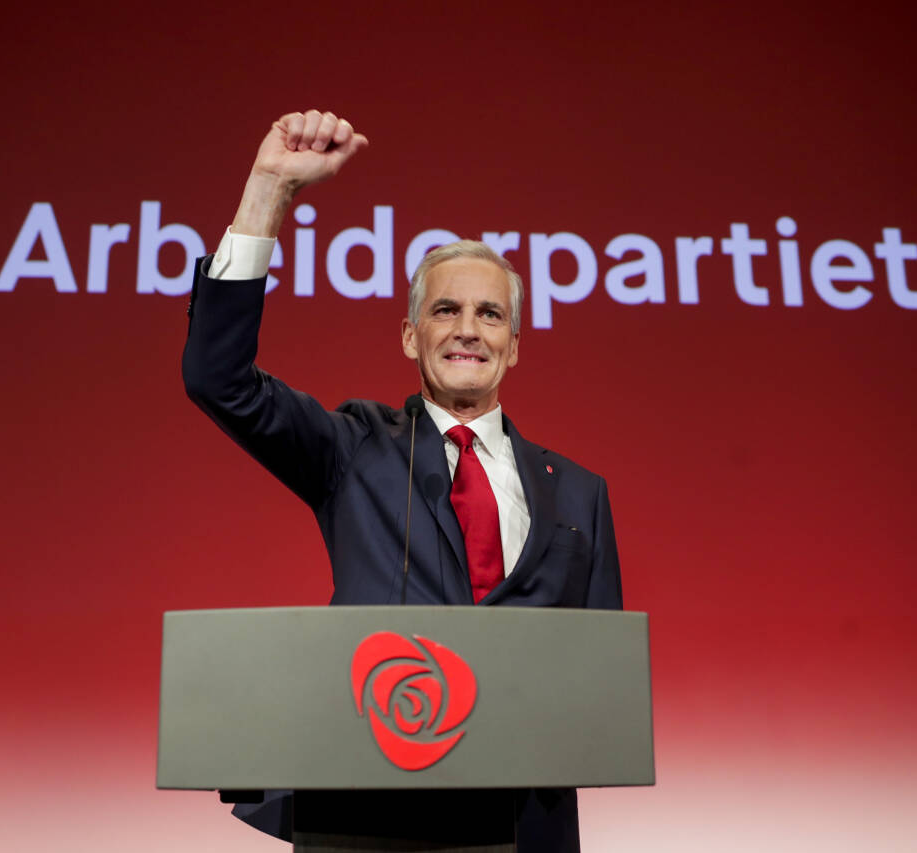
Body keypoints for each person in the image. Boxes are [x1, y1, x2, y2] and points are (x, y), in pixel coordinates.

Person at [182, 110, 623, 852]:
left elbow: (601, 684)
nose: (467, 329)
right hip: (372, 814)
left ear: (514, 346)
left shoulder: (580, 492)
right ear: (411, 335)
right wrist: (268, 192)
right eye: (444, 309)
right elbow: (217, 379)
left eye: (490, 314)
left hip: (525, 828)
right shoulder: (354, 448)